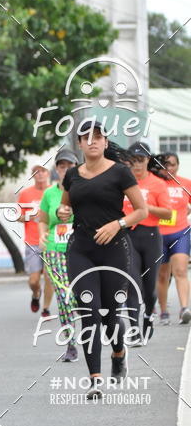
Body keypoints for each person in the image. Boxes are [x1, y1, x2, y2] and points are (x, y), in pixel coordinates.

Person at [61, 120, 147, 400]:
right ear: (80, 144)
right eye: (86, 137)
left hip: (114, 249)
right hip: (81, 249)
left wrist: (117, 225)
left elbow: (141, 211)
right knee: (89, 310)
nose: (92, 141)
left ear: (106, 143)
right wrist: (63, 212)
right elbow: (66, 205)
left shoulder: (120, 173)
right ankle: (94, 379)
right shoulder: (72, 175)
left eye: (98, 136)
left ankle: (118, 353)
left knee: (110, 313)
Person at [123, 141, 173, 344]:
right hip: (128, 236)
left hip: (151, 236)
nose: (137, 165)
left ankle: (148, 315)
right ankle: (134, 329)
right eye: (133, 160)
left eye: (141, 160)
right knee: (132, 282)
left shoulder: (157, 183)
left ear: (148, 160)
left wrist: (145, 207)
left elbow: (168, 212)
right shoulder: (123, 182)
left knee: (149, 288)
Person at [38, 148, 79, 362]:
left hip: (80, 248)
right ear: (57, 169)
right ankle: (71, 344)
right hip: (55, 248)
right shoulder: (49, 193)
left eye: (69, 166)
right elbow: (42, 219)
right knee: (64, 297)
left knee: (79, 295)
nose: (65, 170)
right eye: (62, 166)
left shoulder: (84, 188)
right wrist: (43, 234)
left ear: (76, 167)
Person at [155, 152, 191, 324]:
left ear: (177, 165)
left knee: (181, 271)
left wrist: (184, 213)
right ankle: (163, 312)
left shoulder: (185, 183)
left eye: (172, 164)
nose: (169, 168)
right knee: (162, 275)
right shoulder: (156, 184)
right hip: (159, 234)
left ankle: (184, 308)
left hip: (181, 231)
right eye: (165, 165)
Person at [17, 164, 55, 316]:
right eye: (35, 172)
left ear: (48, 174)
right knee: (33, 280)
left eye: (42, 171)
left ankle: (45, 308)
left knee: (48, 276)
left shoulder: (55, 191)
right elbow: (17, 216)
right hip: (32, 241)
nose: (39, 175)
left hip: (51, 241)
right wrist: (29, 216)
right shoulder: (25, 194)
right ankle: (36, 294)